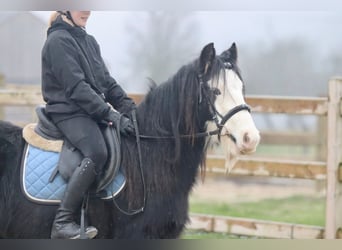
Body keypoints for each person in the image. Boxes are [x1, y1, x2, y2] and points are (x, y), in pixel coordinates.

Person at [41, 11, 136, 239]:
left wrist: (130, 110)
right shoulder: (57, 42)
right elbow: (77, 88)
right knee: (97, 151)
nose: (86, 11)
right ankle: (62, 221)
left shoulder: (88, 41)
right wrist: (111, 115)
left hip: (87, 111)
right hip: (67, 111)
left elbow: (106, 82)